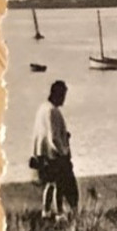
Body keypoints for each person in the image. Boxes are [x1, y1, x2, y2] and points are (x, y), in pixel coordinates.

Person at [30, 80, 78, 218]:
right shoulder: (52, 111)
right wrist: (63, 152)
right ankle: (59, 212)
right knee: (59, 184)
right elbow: (54, 137)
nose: (64, 99)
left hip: (41, 152)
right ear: (57, 94)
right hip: (53, 154)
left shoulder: (42, 108)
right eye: (63, 95)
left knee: (50, 183)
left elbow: (41, 133)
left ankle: (46, 211)